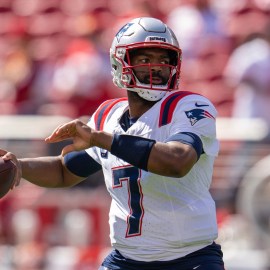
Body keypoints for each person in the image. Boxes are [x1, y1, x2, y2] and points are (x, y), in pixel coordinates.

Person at [1, 17, 225, 270]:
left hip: (190, 258)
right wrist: (18, 165)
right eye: (144, 59)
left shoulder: (189, 106)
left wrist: (100, 139)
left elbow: (178, 161)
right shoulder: (108, 116)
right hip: (126, 259)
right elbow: (65, 171)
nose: (157, 67)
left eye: (164, 59)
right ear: (121, 62)